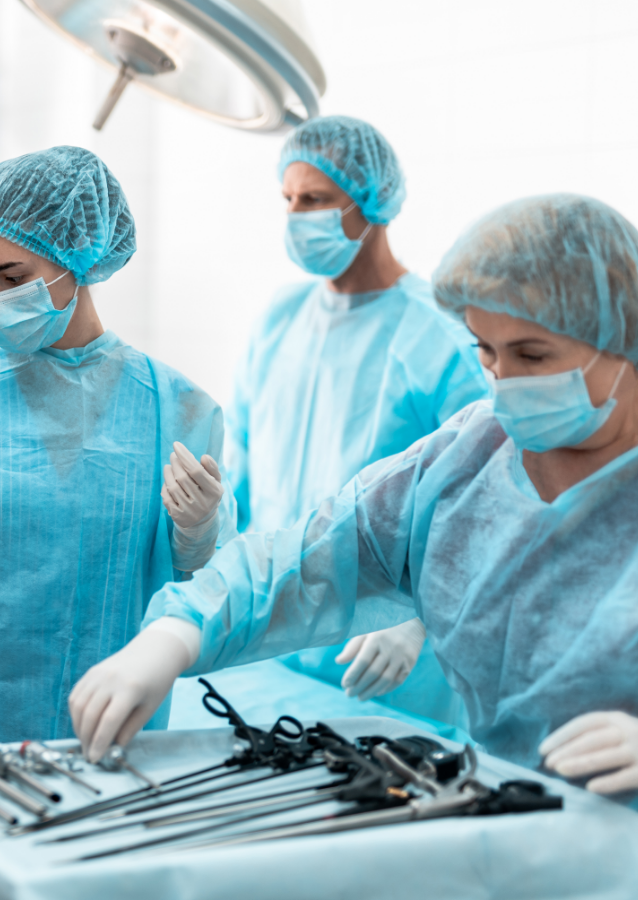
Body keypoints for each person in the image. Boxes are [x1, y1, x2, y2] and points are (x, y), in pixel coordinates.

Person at [69, 194, 638, 801]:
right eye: (485, 350)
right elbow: (308, 557)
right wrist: (175, 636)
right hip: (504, 809)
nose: (503, 381)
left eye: (532, 355)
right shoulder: (468, 457)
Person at [0, 146, 235, 749]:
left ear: (79, 262)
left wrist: (198, 531)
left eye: (12, 278)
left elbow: (203, 595)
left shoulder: (175, 406)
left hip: (109, 720)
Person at [225, 115, 488, 723]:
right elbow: (239, 481)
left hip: (383, 660)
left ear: (372, 202)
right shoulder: (278, 320)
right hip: (275, 643)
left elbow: (485, 503)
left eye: (315, 199)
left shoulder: (438, 335)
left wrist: (419, 616)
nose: (296, 216)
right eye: (288, 199)